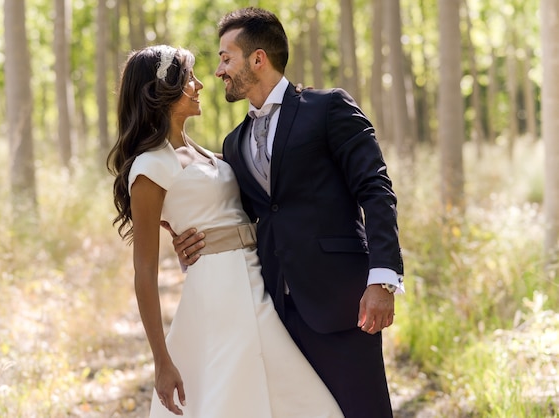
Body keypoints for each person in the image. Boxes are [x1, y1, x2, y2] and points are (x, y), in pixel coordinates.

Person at [169, 7, 405, 417]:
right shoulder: (234, 142)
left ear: (258, 59)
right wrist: (188, 238)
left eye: (227, 58)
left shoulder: (328, 108)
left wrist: (382, 279)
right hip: (273, 309)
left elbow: (375, 188)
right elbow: (238, 214)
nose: (220, 70)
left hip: (342, 301)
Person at [106, 45, 343, 418]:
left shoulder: (206, 153)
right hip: (219, 295)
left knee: (302, 401)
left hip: (254, 276)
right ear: (163, 90)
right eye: (190, 78)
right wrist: (161, 360)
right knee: (239, 399)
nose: (200, 85)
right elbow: (145, 273)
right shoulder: (150, 168)